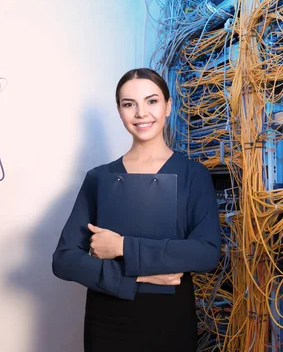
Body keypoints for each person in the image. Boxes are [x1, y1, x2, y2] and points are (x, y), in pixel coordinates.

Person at [52, 68, 222, 352]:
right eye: (129, 104)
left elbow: (206, 253)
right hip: (107, 324)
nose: (141, 113)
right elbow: (64, 260)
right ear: (120, 112)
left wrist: (123, 247)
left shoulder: (194, 175)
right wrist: (139, 276)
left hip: (170, 323)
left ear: (168, 106)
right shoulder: (99, 178)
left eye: (152, 101)